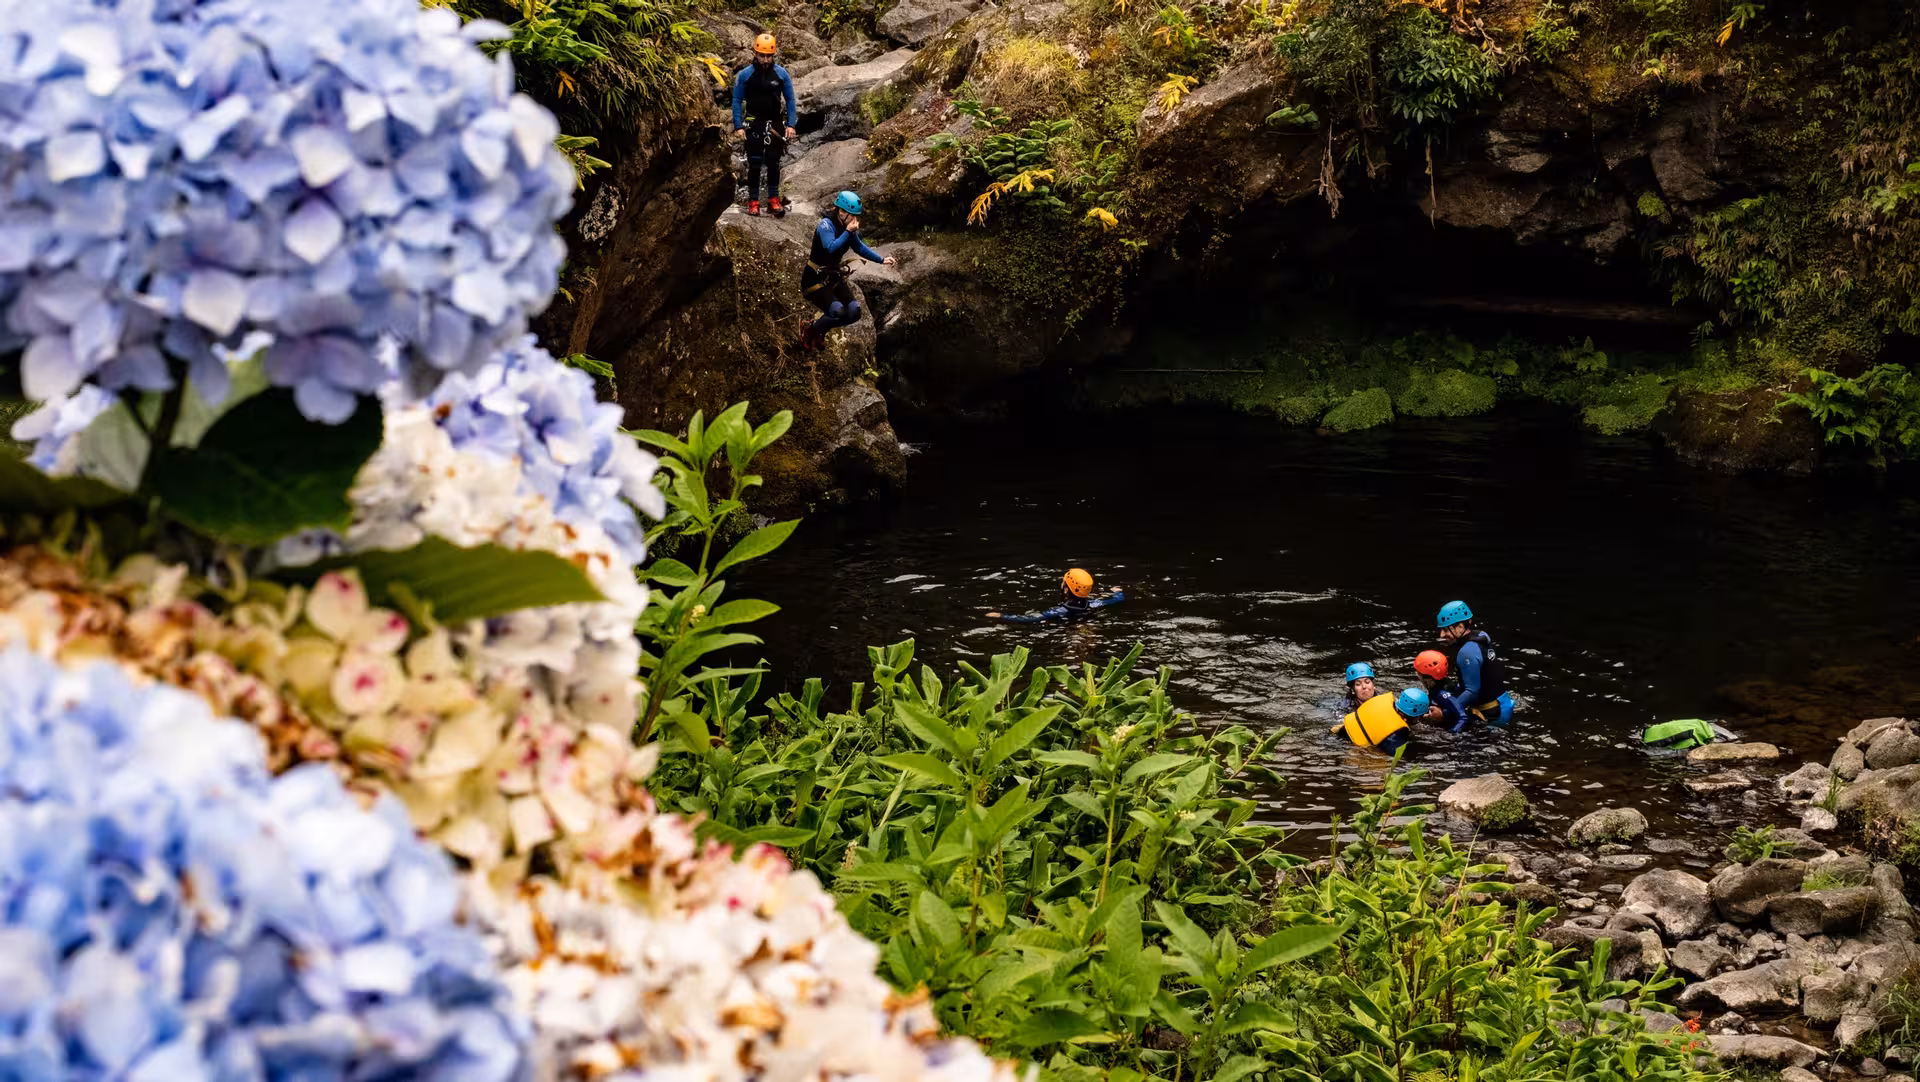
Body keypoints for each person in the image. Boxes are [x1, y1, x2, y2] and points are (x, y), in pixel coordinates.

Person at [800, 190, 895, 351]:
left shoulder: (848, 229)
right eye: (852, 215)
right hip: (815, 278)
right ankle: (810, 329)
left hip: (833, 277)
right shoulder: (825, 225)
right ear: (841, 212)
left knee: (854, 312)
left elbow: (859, 247)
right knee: (838, 311)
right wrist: (848, 232)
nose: (855, 220)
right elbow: (830, 248)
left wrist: (881, 259)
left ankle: (818, 330)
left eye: (856, 216)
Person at [731, 33, 797, 217]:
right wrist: (738, 126)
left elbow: (790, 100)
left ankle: (773, 201)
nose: (765, 60)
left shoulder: (781, 74)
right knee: (755, 163)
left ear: (774, 55)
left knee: (774, 162)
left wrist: (791, 124)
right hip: (754, 122)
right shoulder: (745, 75)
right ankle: (753, 201)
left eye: (769, 56)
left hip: (775, 122)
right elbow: (736, 100)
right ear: (755, 53)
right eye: (762, 55)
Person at [1435, 600, 1516, 727]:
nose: (1442, 635)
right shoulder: (1481, 636)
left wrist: (1444, 713)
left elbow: (1471, 692)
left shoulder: (1466, 652)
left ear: (1461, 626)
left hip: (1491, 715)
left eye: (1446, 630)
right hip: (1503, 704)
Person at [987, 568, 1126, 623]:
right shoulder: (1095, 603)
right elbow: (1117, 600)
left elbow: (1030, 619)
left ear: (1066, 590)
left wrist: (1001, 616)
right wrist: (1118, 592)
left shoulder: (1061, 611)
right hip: (1088, 626)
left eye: (1064, 582)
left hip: (1072, 635)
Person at [1331, 686, 1427, 755]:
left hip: (1337, 731)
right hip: (1347, 747)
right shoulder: (1398, 731)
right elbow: (1394, 753)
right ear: (1415, 715)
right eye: (1420, 717)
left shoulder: (1384, 699)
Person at [1413, 649, 1469, 732]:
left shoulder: (1443, 694)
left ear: (1427, 678)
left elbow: (1463, 717)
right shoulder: (1436, 687)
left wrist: (1452, 734)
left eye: (1418, 674)